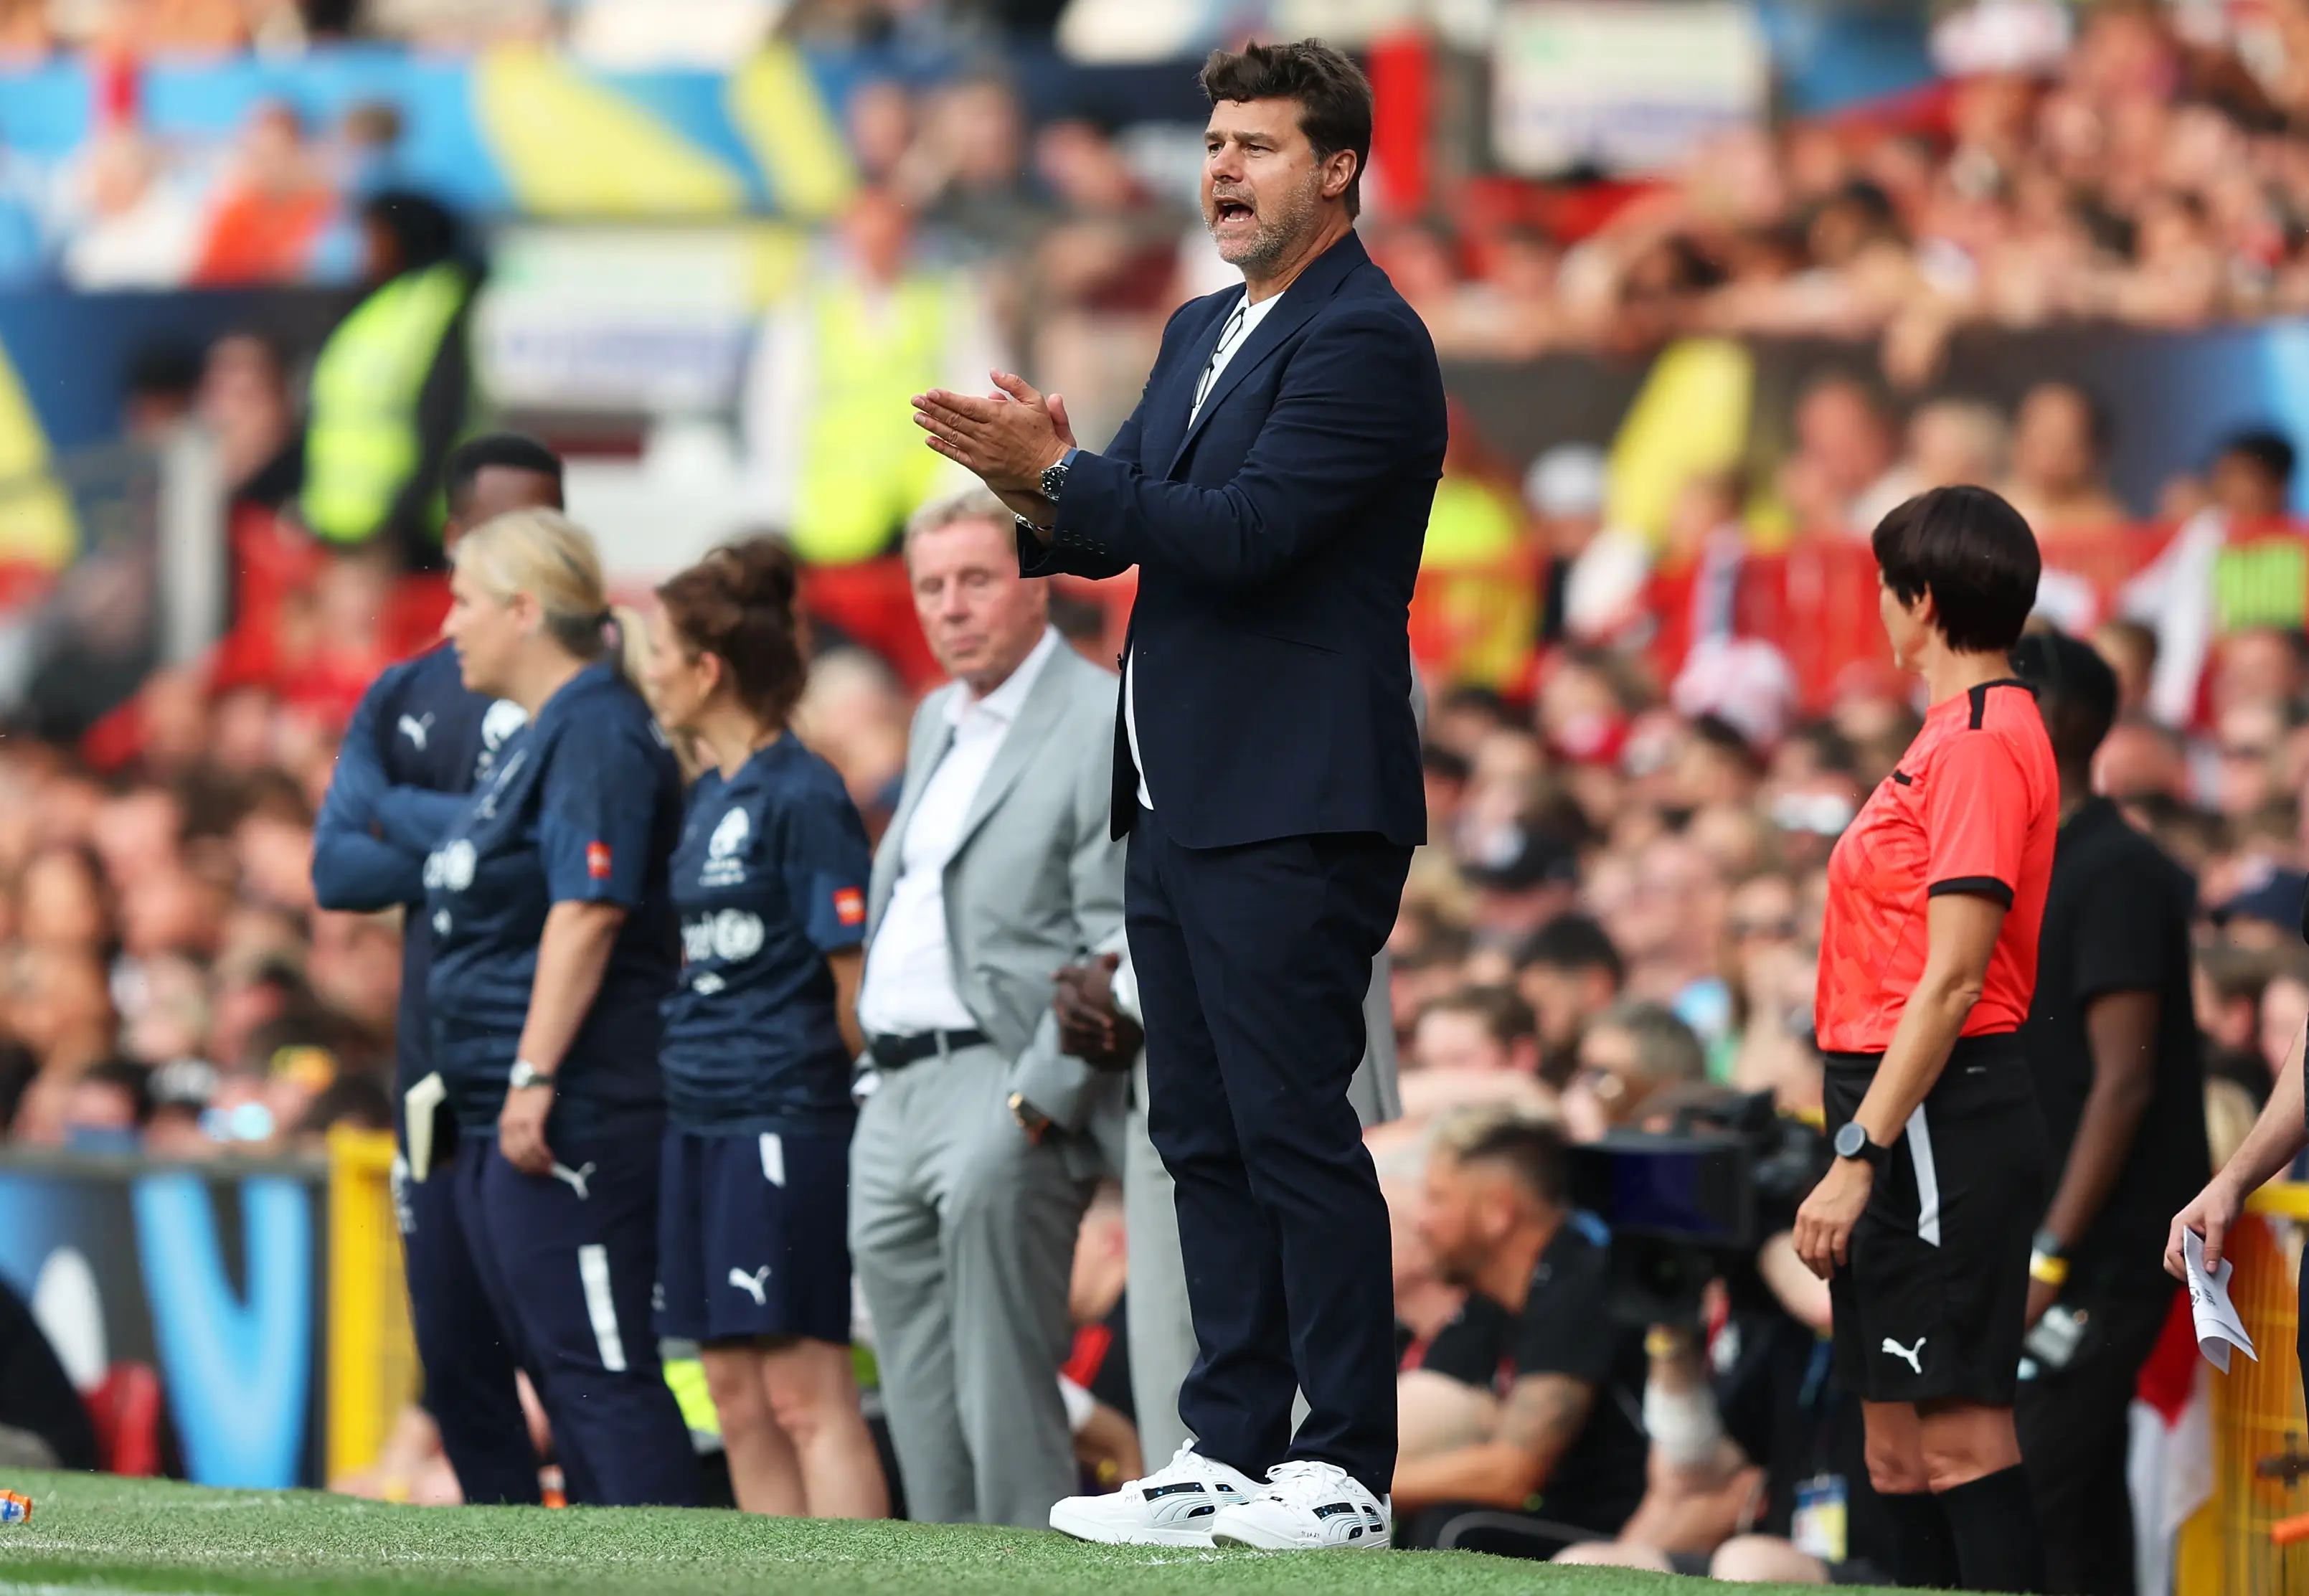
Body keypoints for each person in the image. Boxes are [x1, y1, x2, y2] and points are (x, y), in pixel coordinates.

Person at [915, 39, 1446, 1551]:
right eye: (1212, 142)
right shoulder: (1202, 323)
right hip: (1175, 795)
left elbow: (1247, 531)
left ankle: (1339, 1463)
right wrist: (1033, 481)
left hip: (1295, 797)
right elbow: (1103, 529)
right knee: (1199, 1133)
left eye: (1257, 146)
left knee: (1292, 1126)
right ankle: (1223, 1444)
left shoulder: (1365, 338)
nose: (1219, 168)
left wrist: (1066, 474)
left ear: (1335, 168)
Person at [846, 488, 1125, 1529]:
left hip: (1000, 1068)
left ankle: (1026, 1558)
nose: (950, 607)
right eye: (930, 586)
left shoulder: (1099, 715)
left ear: (1038, 585)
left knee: (1003, 1376)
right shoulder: (933, 717)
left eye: (976, 579)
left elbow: (1121, 928)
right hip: (896, 1079)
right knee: (914, 1376)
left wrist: (1038, 1097)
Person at [1795, 484, 2057, 1593]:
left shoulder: (1984, 744)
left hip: (1936, 1106)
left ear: (1924, 600)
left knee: (1954, 1437)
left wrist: (1859, 1155)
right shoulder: (1948, 734)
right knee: (1893, 1454)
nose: (1879, 609)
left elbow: (1951, 979)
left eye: (1886, 589)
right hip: (1887, 1092)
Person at [422, 507, 696, 1506]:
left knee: (597, 1367)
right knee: (559, 1366)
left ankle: (665, 1572)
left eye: (463, 600)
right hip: (513, 1096)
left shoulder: (595, 730)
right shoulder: (550, 732)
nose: (447, 624)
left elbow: (587, 910)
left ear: (525, 610)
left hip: (573, 1099)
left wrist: (533, 1075)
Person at [308, 433, 563, 1506]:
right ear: (458, 541)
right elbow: (337, 865)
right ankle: (501, 1543)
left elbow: (577, 860)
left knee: (566, 1336)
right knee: (452, 1331)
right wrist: (485, 835)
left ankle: (611, 1553)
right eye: (506, 526)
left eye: (551, 520)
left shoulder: (604, 691)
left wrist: (417, 824)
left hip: (561, 1056)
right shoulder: (405, 692)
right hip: (428, 1064)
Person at [638, 537, 888, 1519]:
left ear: (707, 669)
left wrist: (847, 1097)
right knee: (734, 1395)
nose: (647, 669)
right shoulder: (705, 799)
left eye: (658, 649)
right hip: (695, 1118)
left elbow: (850, 979)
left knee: (804, 1392)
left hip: (781, 1113)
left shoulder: (804, 793)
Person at [2006, 631, 2206, 1596]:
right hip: (2054, 1238)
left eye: (2009, 701)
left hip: (2109, 1248)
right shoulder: (2027, 860)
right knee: (2072, 1516)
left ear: (2069, 718)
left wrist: (2048, 1253)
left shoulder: (2115, 868)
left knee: (2032, 1487)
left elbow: (2119, 1082)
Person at [1390, 1114, 1649, 1554]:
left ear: (1498, 1212)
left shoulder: (1578, 1284)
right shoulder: (1498, 1298)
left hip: (1616, 1529)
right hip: (1557, 1512)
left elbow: (1513, 1476)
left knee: (1455, 1529)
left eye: (1437, 1198)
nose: (1421, 1220)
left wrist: (1362, 1488)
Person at [298, 190, 474, 570]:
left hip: (401, 536)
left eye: (373, 235)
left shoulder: (439, 304)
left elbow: (440, 421)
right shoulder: (383, 303)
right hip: (345, 526)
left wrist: (402, 520)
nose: (364, 248)